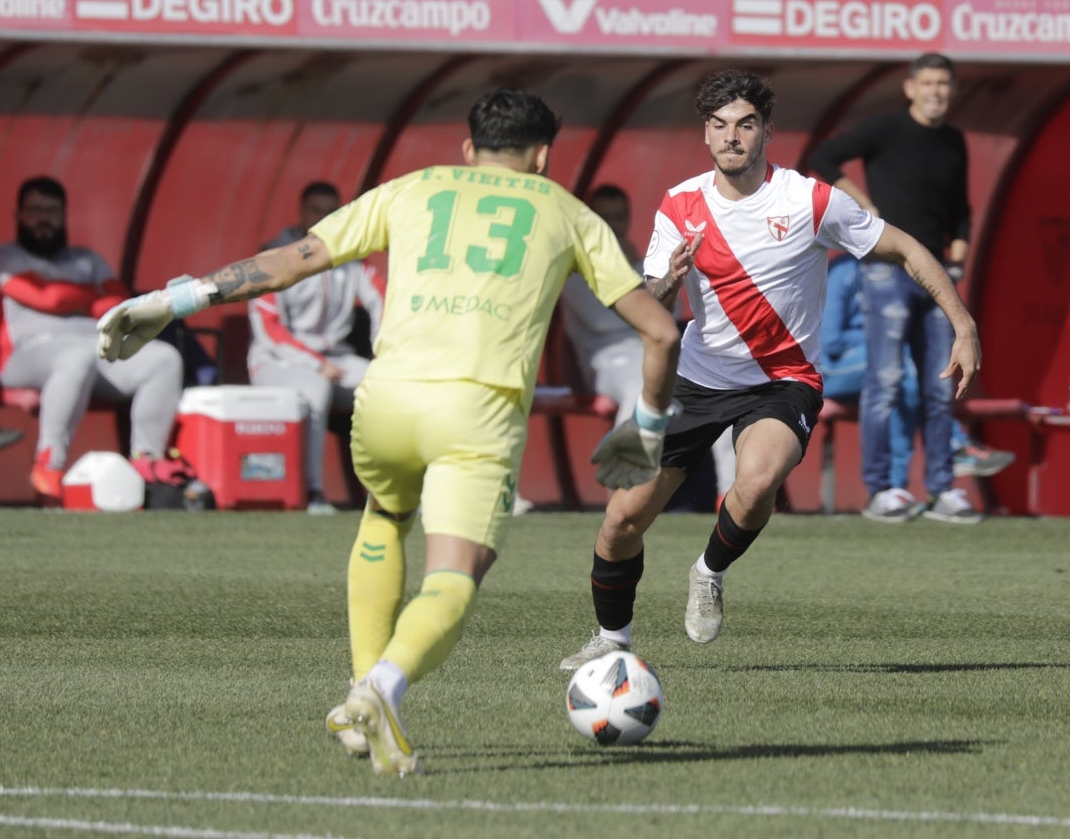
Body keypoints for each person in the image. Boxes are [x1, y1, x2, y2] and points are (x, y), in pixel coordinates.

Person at [96, 88, 681, 777]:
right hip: (475, 411)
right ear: (544, 156)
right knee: (457, 573)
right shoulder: (567, 211)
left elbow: (293, 259)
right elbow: (662, 329)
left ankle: (357, 702)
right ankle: (381, 690)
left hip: (385, 401)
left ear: (468, 148)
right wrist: (644, 425)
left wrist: (175, 298)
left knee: (383, 517)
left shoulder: (411, 189)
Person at [560, 69, 980, 670]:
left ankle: (708, 571)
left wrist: (962, 325)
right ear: (706, 135)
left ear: (766, 133)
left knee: (755, 486)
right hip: (695, 380)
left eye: (745, 124)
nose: (732, 137)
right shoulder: (680, 204)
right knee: (621, 520)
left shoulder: (810, 199)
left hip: (783, 382)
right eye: (720, 125)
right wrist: (666, 282)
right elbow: (646, 304)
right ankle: (613, 641)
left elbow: (908, 248)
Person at [806, 53, 982, 524]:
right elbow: (822, 157)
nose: (935, 91)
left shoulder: (953, 141)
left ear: (952, 89)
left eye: (944, 83)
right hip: (886, 270)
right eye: (927, 83)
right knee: (884, 382)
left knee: (942, 385)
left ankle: (943, 489)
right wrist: (867, 211)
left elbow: (961, 211)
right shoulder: (885, 128)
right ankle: (883, 489)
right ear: (910, 88)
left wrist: (958, 261)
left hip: (936, 274)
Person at [0, 176, 187, 502]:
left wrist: (74, 296)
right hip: (23, 356)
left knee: (163, 358)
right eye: (35, 210)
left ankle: (147, 461)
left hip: (93, 351)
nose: (43, 218)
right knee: (75, 357)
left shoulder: (86, 259)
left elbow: (119, 301)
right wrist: (91, 295)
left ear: (64, 215)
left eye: (51, 210)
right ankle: (50, 464)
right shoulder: (4, 258)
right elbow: (46, 298)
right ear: (18, 215)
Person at [561, 183, 736, 505]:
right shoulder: (575, 267)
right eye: (605, 218)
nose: (613, 225)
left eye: (619, 217)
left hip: (653, 349)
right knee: (639, 384)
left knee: (716, 383)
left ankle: (729, 496)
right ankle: (622, 496)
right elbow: (607, 318)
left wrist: (636, 275)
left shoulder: (637, 263)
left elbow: (676, 309)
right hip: (606, 359)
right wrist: (640, 287)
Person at [820, 253, 1014, 505]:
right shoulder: (845, 269)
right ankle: (952, 447)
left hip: (885, 368)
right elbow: (830, 341)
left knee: (905, 374)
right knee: (900, 365)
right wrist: (886, 339)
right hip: (832, 369)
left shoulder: (902, 267)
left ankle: (894, 490)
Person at [248, 181, 386, 515]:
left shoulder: (351, 255)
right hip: (276, 361)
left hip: (336, 359)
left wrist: (387, 355)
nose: (323, 218)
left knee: (390, 387)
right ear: (301, 211)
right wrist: (314, 364)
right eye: (316, 210)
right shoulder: (275, 253)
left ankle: (396, 493)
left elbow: (383, 300)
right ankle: (313, 492)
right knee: (316, 388)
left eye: (331, 211)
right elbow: (269, 327)